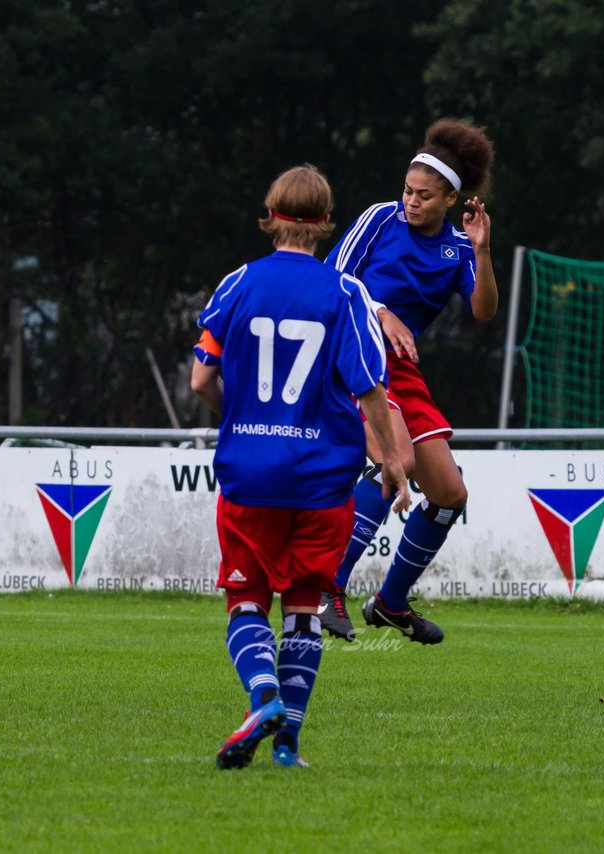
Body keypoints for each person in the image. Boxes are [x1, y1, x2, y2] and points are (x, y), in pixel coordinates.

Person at [191, 164, 410, 770]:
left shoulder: (237, 284)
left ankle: (262, 698)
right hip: (322, 481)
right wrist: (392, 461)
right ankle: (288, 746)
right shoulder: (346, 293)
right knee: (306, 607)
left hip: (250, 474)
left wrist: (239, 415)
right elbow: (369, 389)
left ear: (271, 216)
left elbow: (201, 377)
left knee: (246, 602)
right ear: (325, 223)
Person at [318, 118, 496, 645]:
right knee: (399, 462)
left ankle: (391, 604)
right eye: (407, 190)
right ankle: (325, 589)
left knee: (449, 493)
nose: (411, 201)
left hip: (403, 370)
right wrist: (381, 311)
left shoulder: (460, 247)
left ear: (450, 199)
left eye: (424, 195)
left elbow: (484, 311)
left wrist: (483, 251)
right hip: (355, 349)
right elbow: (332, 279)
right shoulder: (380, 218)